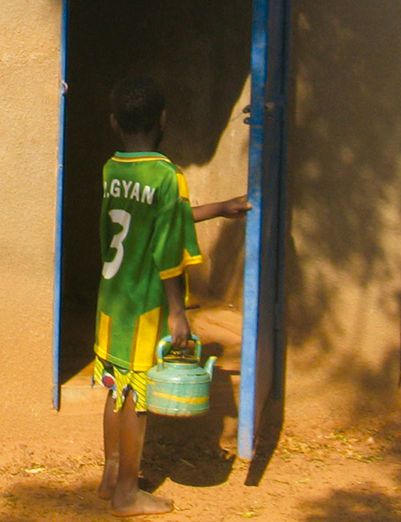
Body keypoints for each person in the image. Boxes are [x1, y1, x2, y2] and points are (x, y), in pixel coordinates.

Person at [94, 75, 250, 516]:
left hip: (113, 303)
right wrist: (178, 312)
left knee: (116, 388)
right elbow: (167, 247)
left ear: (113, 122)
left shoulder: (112, 169)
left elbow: (159, 220)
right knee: (139, 401)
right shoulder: (167, 175)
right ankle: (128, 494)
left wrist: (221, 207)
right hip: (147, 307)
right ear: (163, 120)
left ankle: (110, 476)